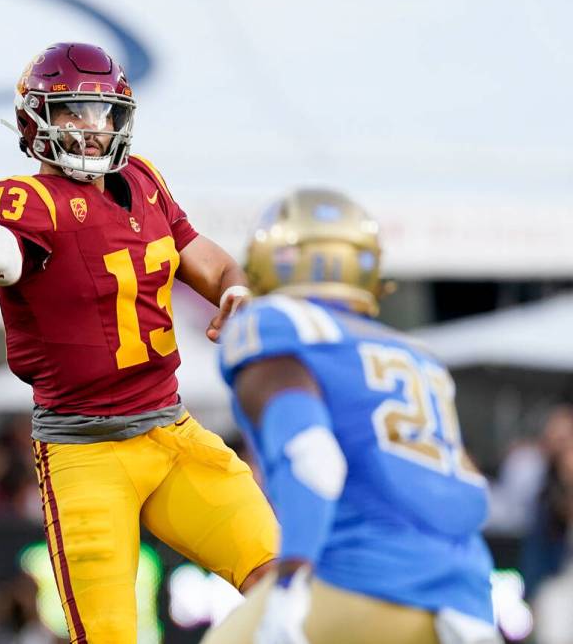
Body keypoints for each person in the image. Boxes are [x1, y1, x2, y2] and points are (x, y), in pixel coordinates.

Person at [0, 42, 277, 642]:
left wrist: (238, 296)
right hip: (87, 455)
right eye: (72, 113)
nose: (90, 129)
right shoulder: (25, 198)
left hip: (172, 434)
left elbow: (213, 264)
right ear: (36, 119)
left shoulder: (143, 179)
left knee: (286, 584)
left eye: (102, 112)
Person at [205, 189, 500, 644]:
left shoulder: (275, 324)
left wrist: (289, 583)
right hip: (467, 597)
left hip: (360, 580)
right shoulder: (415, 355)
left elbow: (313, 458)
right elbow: (469, 490)